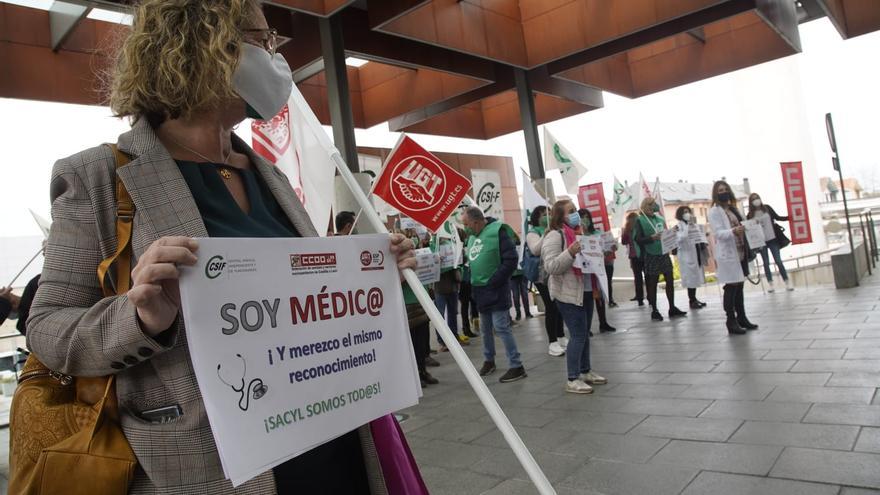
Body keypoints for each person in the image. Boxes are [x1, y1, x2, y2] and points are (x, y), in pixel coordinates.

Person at [25, 1, 416, 492]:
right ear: (202, 43)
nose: (276, 56)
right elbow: (47, 329)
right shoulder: (96, 176)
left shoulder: (269, 175)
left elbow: (297, 299)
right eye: (264, 40)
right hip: (208, 466)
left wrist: (366, 275)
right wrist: (139, 317)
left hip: (330, 440)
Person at [542, 200, 607, 394]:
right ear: (560, 215)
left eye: (575, 210)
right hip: (568, 293)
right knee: (578, 335)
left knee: (584, 333)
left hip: (585, 290)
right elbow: (551, 266)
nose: (575, 214)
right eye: (570, 211)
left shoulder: (580, 233)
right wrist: (570, 252)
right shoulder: (555, 235)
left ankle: (585, 371)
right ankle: (572, 378)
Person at [461, 207, 526, 383]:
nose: (465, 228)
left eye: (466, 224)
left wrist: (495, 280)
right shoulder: (472, 237)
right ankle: (489, 360)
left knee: (501, 327)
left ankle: (516, 365)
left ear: (476, 221)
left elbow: (511, 259)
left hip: (496, 288)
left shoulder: (498, 232)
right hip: (480, 290)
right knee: (485, 328)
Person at [709, 180, 758, 334]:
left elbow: (743, 224)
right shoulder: (714, 211)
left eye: (725, 189)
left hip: (740, 251)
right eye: (720, 190)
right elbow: (718, 233)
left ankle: (742, 318)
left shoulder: (733, 209)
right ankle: (731, 321)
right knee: (731, 286)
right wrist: (733, 231)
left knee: (740, 286)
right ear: (716, 194)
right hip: (728, 254)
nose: (723, 192)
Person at [634, 198, 687, 322]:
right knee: (653, 282)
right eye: (650, 204)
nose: (653, 207)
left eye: (653, 204)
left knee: (670, 280)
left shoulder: (660, 219)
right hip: (650, 254)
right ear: (645, 206)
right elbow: (637, 239)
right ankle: (655, 310)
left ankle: (672, 307)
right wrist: (651, 238)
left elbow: (666, 234)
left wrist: (672, 235)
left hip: (663, 252)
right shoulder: (640, 220)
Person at [526, 206, 567, 357]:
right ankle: (552, 342)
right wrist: (545, 235)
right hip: (541, 275)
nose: (547, 216)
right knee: (550, 306)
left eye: (549, 213)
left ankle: (561, 336)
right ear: (537, 217)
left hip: (554, 272)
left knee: (558, 304)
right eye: (544, 214)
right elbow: (535, 250)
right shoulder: (532, 233)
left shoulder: (556, 230)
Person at [578, 209, 616, 333]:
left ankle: (603, 322)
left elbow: (603, 251)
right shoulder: (577, 235)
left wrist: (610, 249)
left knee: (599, 296)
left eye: (587, 217)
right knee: (587, 299)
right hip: (585, 271)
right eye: (582, 217)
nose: (585, 220)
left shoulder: (598, 233)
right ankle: (586, 327)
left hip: (598, 269)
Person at [747, 193, 793, 292]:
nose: (756, 200)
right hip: (761, 242)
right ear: (751, 202)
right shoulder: (750, 215)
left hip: (772, 239)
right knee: (766, 263)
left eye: (757, 198)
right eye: (753, 199)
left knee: (778, 261)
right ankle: (770, 284)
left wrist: (789, 217)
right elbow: (749, 229)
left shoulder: (767, 208)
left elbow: (777, 217)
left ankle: (787, 282)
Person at [674, 206, 708, 309]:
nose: (687, 214)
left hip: (694, 253)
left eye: (688, 211)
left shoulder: (692, 224)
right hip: (686, 255)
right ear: (680, 214)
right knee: (690, 279)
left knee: (695, 278)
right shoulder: (678, 226)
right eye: (685, 212)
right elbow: (681, 238)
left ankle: (694, 298)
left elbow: (698, 235)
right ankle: (691, 300)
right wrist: (689, 227)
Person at [621, 212, 645, 306]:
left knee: (637, 277)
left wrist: (624, 232)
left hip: (634, 256)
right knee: (647, 276)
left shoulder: (628, 230)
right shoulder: (639, 227)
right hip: (642, 254)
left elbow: (623, 242)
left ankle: (640, 298)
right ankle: (650, 297)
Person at [509, 233, 533, 321]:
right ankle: (524, 313)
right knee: (520, 294)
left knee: (519, 295)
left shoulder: (519, 248)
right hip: (516, 274)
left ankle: (521, 313)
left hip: (519, 274)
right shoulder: (517, 248)